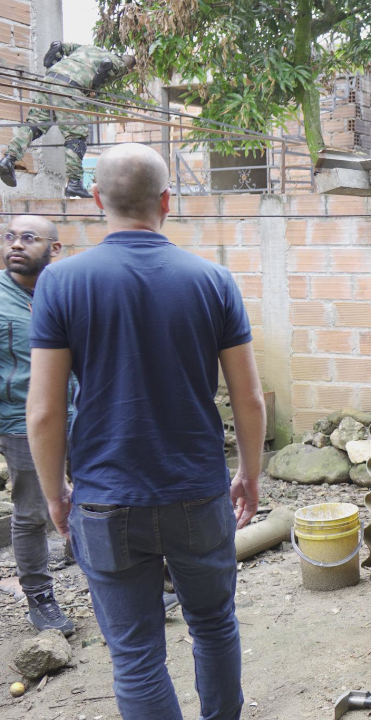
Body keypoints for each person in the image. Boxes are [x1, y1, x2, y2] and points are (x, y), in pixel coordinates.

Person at [26, 143, 265, 719]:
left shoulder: (59, 283)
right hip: (198, 491)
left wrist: (56, 490)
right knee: (213, 627)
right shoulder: (213, 280)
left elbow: (44, 411)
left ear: (96, 198)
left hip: (106, 498)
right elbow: (250, 397)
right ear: (166, 199)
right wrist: (250, 475)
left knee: (135, 655)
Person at [0, 215, 77, 635]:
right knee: (31, 513)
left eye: (28, 238)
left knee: (98, 500)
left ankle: (118, 583)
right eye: (10, 237)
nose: (16, 245)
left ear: (54, 248)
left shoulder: (66, 290)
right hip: (21, 421)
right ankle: (40, 599)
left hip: (80, 415)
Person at [0, 42, 136, 198]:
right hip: (70, 87)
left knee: (35, 124)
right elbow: (106, 65)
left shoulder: (89, 48)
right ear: (129, 69)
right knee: (77, 136)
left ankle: (8, 159)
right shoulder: (120, 65)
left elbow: (58, 46)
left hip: (49, 80)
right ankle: (74, 183)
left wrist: (51, 65)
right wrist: (93, 87)